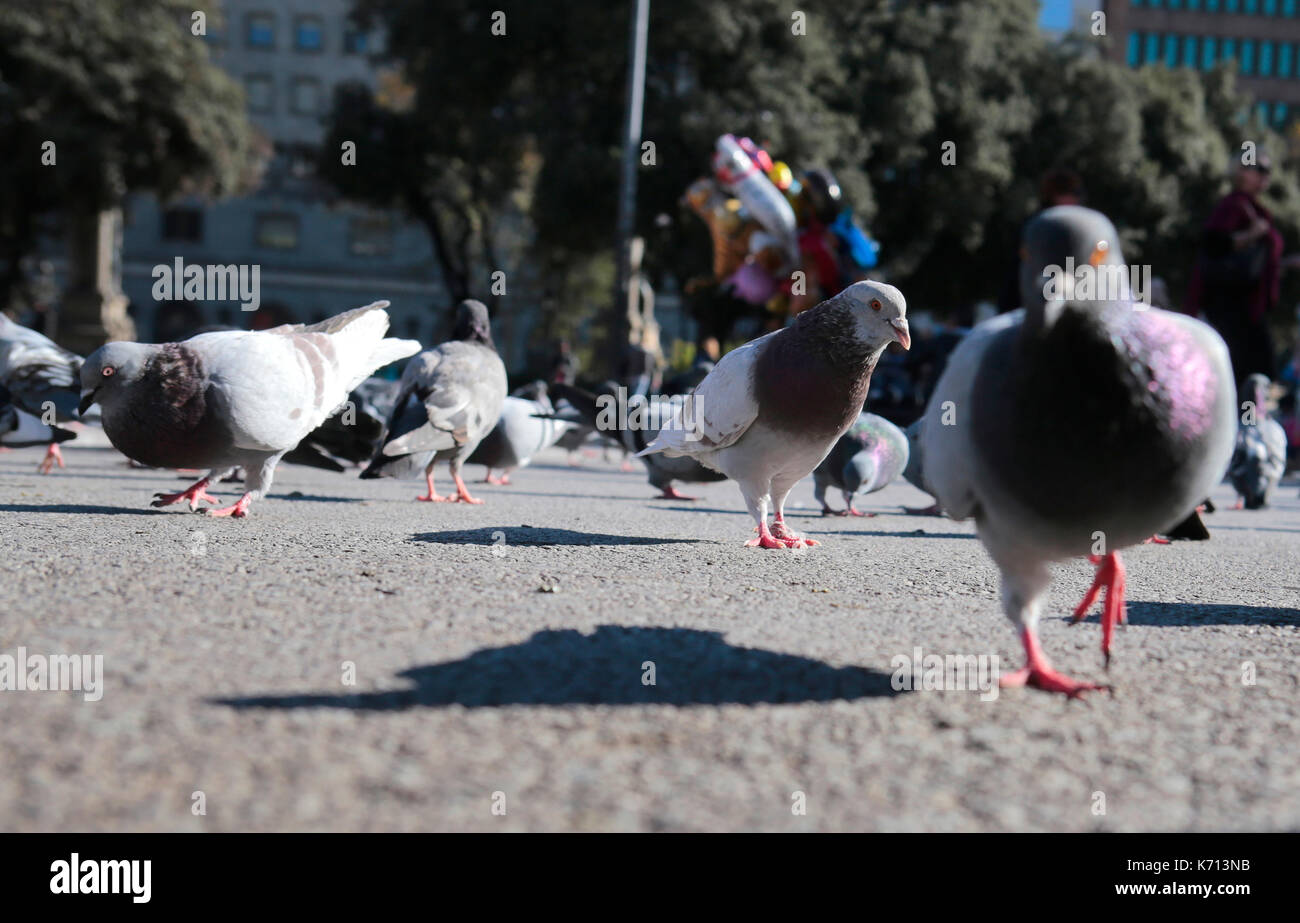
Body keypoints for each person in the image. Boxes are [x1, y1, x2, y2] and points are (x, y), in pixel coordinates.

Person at [1186, 154, 1297, 390]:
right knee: (1244, 372)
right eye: (1259, 169)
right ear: (1242, 173)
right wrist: (1253, 234)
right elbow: (1213, 245)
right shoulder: (1234, 206)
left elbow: (1255, 265)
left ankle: (1245, 422)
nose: (1265, 175)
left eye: (1267, 170)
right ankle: (1236, 424)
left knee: (1258, 371)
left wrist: (1285, 264)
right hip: (1228, 306)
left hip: (1247, 307)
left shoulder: (1255, 209)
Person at [997, 168, 1086, 313]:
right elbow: (1021, 272)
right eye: (1072, 193)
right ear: (1054, 195)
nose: (1077, 199)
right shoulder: (1037, 227)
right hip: (1028, 307)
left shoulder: (1079, 226)